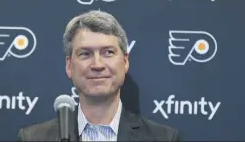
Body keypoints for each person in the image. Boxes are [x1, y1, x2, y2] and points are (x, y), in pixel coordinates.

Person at [17, 10, 182, 141]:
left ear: (125, 62)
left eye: (108, 53)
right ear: (69, 65)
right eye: (85, 54)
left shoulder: (164, 138)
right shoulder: (32, 138)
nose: (97, 65)